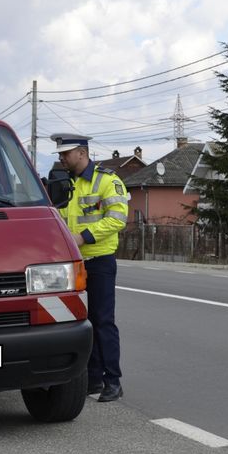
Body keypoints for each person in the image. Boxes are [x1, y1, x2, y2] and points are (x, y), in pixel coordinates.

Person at [52, 132, 130, 402]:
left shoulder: (108, 181)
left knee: (103, 321)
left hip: (99, 261)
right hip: (72, 264)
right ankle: (93, 379)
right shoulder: (64, 183)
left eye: (65, 153)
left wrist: (82, 237)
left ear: (82, 153)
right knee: (82, 321)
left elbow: (117, 219)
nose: (62, 158)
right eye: (60, 154)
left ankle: (113, 381)